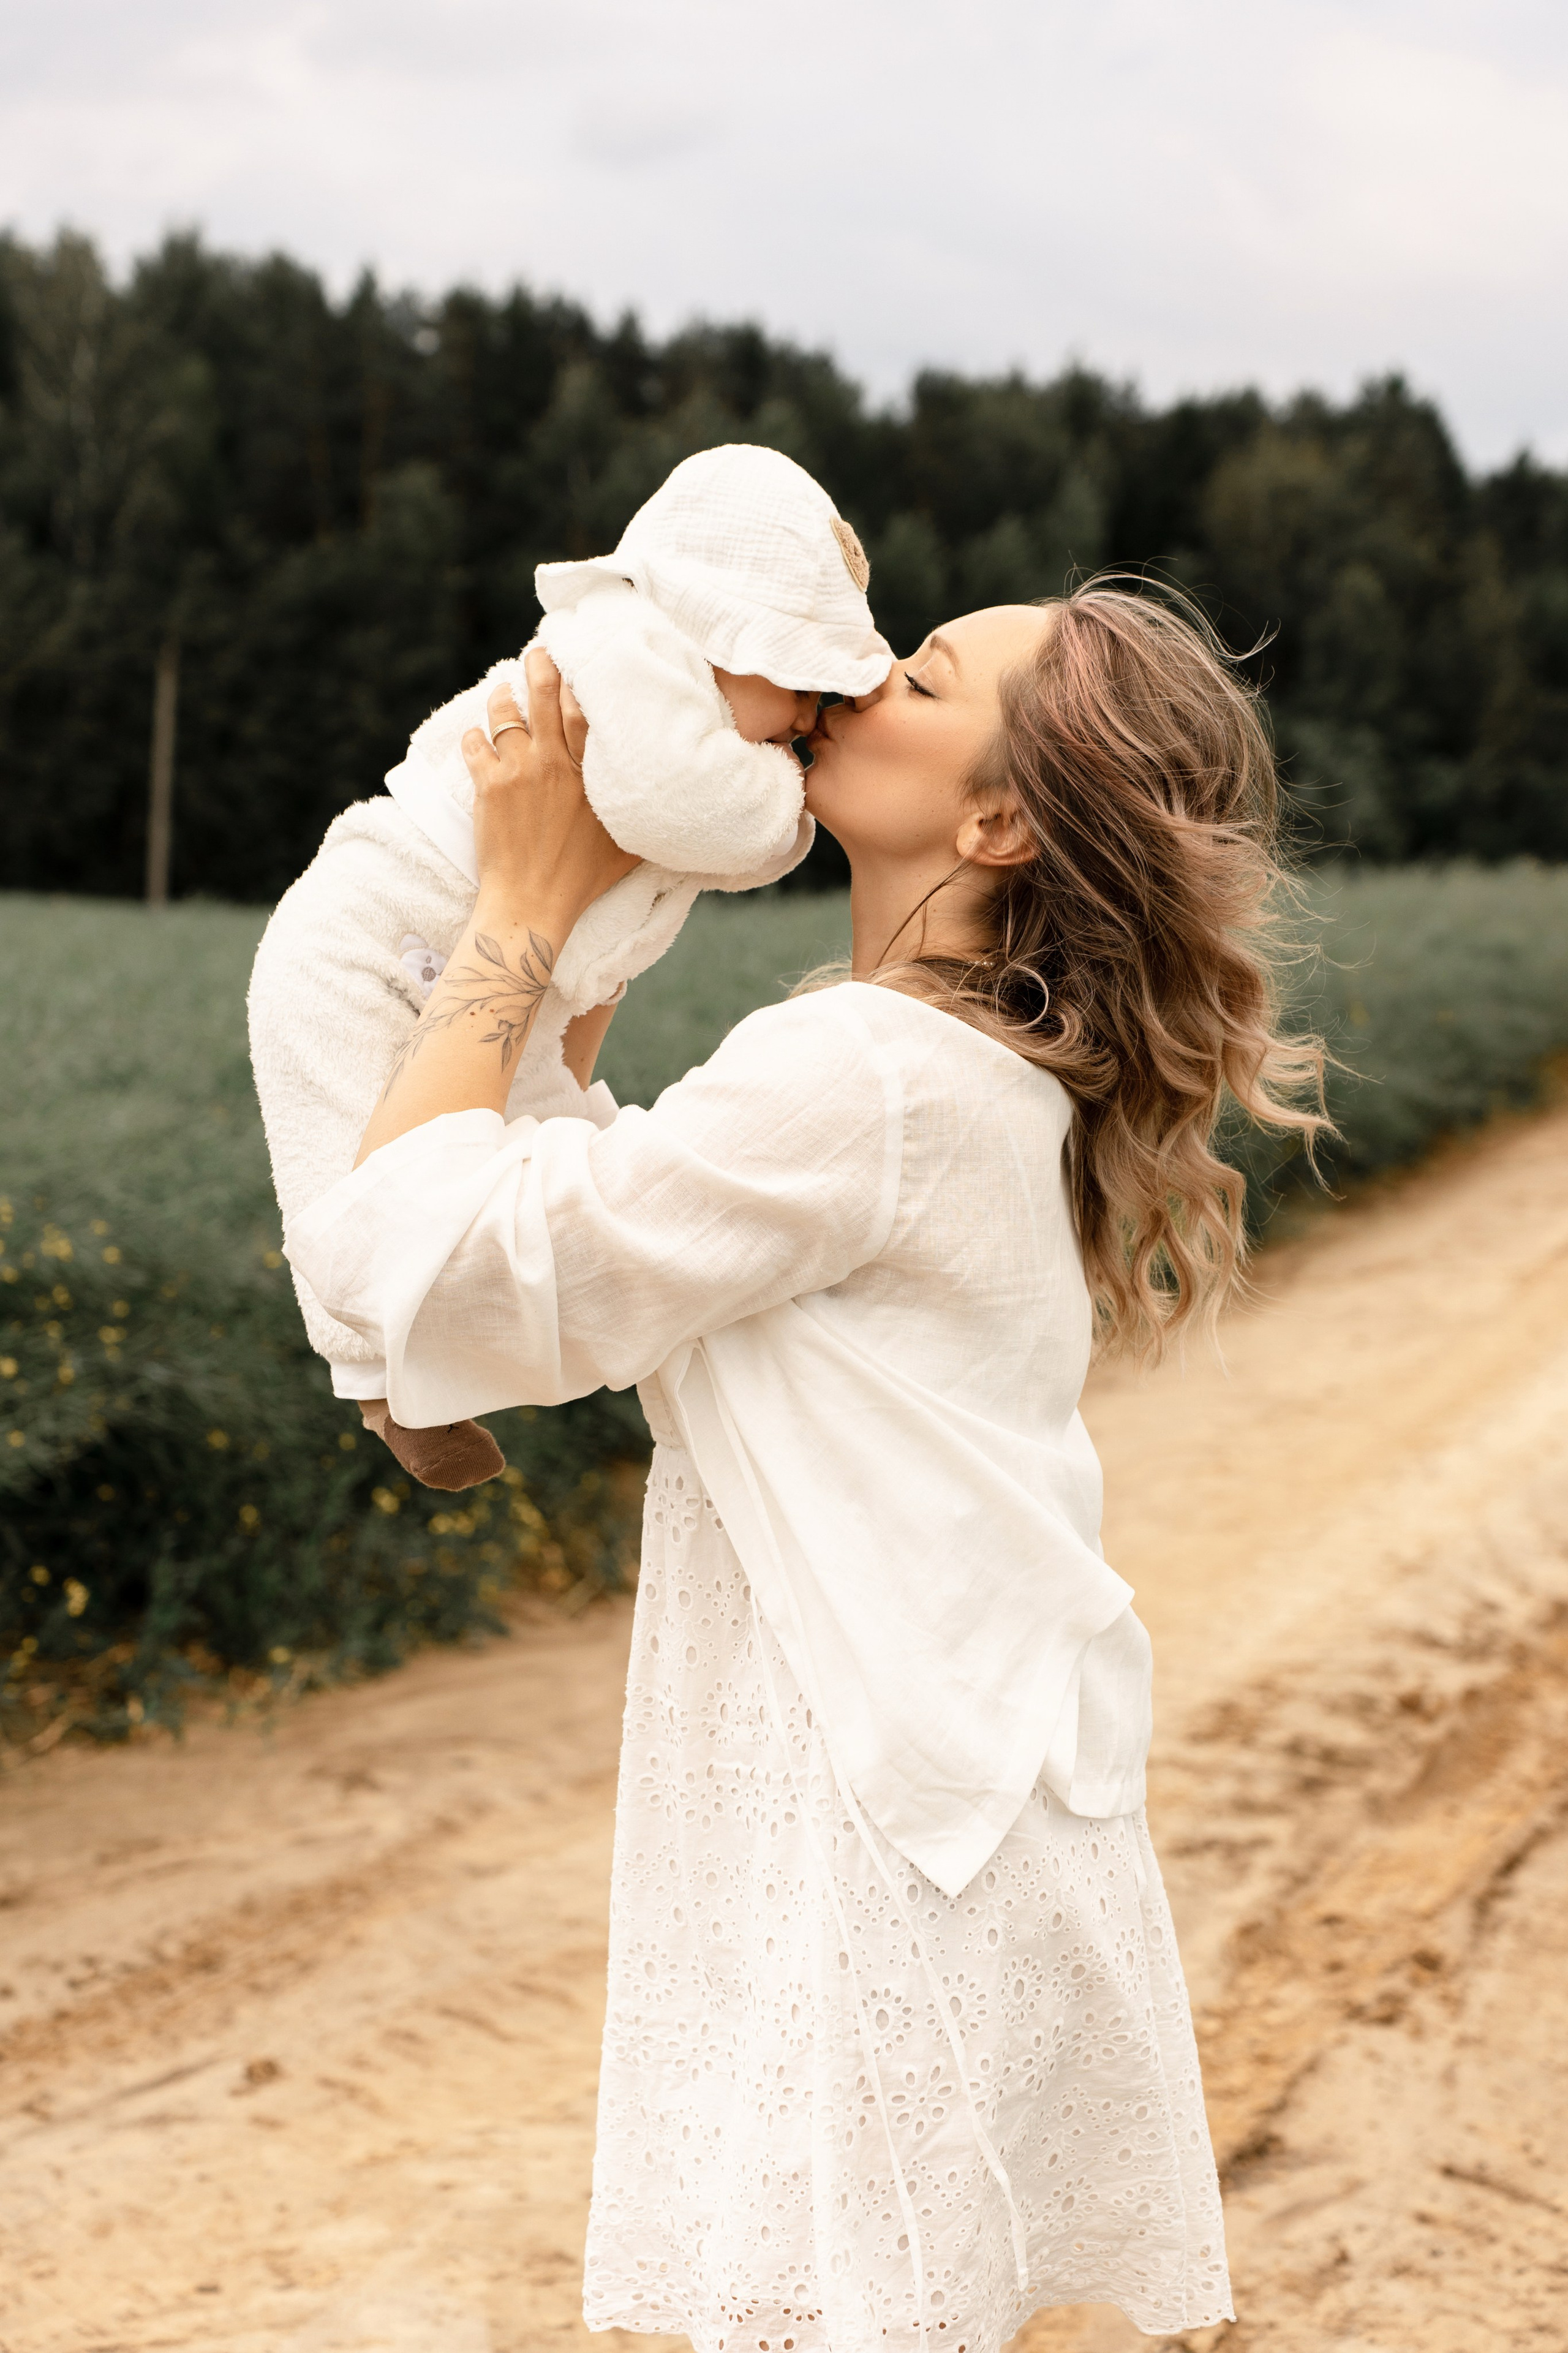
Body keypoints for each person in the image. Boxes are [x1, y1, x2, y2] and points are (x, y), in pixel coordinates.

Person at [287, 581, 1324, 2347]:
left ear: (990, 817)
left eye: (916, 676)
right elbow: (618, 1240)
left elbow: (431, 1270)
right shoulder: (952, 1077)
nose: (859, 673)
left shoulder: (869, 1078)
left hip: (885, 1830)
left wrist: (527, 905)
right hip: (947, 1799)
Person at [249, 445, 889, 1487]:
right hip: (370, 928)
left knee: (562, 1147)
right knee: (338, 1152)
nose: (808, 730)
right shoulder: (630, 653)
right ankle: (376, 1375)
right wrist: (790, 810)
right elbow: (676, 805)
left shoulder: (693, 689)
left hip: (517, 973)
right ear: (727, 633)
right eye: (804, 693)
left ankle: (511, 1342)